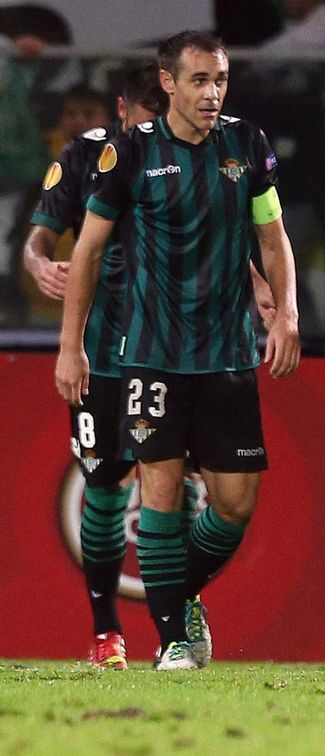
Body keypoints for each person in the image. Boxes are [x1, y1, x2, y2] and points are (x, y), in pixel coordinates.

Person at [54, 31, 301, 671]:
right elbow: (85, 252)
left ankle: (180, 594)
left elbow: (273, 237)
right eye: (199, 80)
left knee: (235, 503)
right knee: (159, 492)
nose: (212, 93)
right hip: (153, 353)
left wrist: (287, 312)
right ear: (168, 83)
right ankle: (173, 643)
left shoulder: (247, 145)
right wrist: (71, 347)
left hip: (228, 352)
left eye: (220, 79)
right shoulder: (129, 154)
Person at [25, 65, 166, 669]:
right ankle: (107, 630)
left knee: (178, 480)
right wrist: (37, 265)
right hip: (103, 348)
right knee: (106, 484)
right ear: (122, 108)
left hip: (177, 348)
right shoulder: (86, 156)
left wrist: (262, 287)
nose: (155, 132)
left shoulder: (209, 153)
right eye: (145, 118)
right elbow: (38, 239)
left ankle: (179, 621)